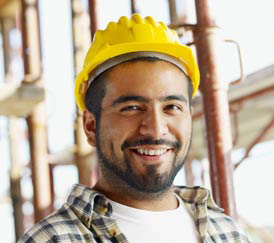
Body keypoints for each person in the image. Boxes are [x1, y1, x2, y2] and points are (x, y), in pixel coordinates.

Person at [18, 14, 252, 243]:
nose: (155, 129)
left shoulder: (226, 232)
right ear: (91, 126)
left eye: (171, 107)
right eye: (131, 108)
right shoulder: (52, 239)